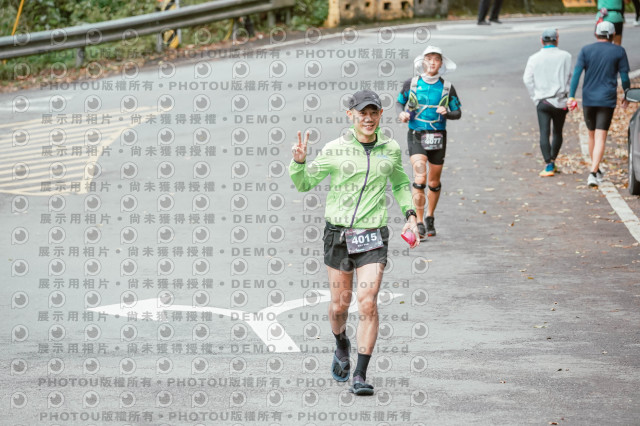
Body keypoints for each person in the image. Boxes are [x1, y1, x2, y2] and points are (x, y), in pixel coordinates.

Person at [289, 90, 420, 395]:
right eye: (362, 113)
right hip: (338, 235)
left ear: (380, 115)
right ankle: (341, 342)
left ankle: (360, 374)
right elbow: (304, 183)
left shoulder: (390, 148)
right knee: (339, 307)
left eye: (374, 113)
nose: (368, 119)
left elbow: (401, 183)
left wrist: (410, 213)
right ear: (351, 115)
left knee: (368, 302)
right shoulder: (335, 149)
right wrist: (299, 163)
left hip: (373, 236)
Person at [396, 46, 462, 239]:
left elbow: (458, 112)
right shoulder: (412, 84)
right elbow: (399, 102)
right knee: (420, 178)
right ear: (422, 61)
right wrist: (402, 113)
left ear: (441, 64)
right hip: (416, 134)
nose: (432, 62)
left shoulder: (447, 87)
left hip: (438, 136)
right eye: (429, 58)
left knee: (433, 181)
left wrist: (447, 113)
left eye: (436, 59)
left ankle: (430, 217)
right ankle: (418, 221)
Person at [568, 21, 630, 187]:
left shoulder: (586, 50)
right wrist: (627, 93)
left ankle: (595, 169)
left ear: (596, 34)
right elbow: (624, 76)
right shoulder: (619, 51)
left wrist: (571, 96)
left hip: (588, 98)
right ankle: (593, 172)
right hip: (606, 99)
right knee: (601, 136)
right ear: (613, 35)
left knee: (591, 135)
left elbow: (576, 74)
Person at [523, 29, 572, 177]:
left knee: (544, 132)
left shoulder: (534, 58)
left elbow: (527, 79)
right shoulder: (566, 56)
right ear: (557, 39)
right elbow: (570, 76)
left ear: (541, 40)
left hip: (542, 101)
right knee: (558, 132)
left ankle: (548, 164)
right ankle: (553, 160)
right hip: (560, 100)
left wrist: (535, 96)